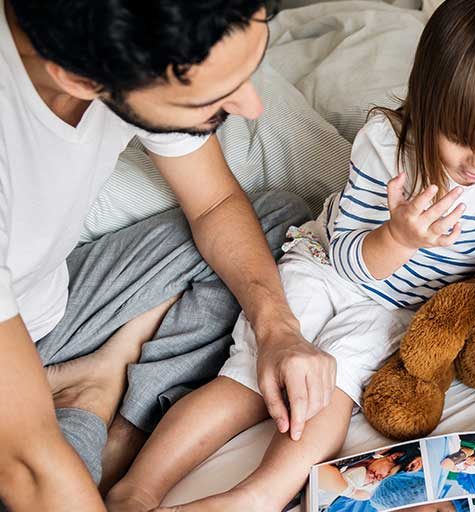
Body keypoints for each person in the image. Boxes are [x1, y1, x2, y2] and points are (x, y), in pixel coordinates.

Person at [112, 0, 475, 510]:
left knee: (331, 391)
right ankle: (137, 489)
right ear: (427, 104)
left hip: (402, 309)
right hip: (328, 266)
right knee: (245, 380)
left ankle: (257, 496)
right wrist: (398, 238)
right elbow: (348, 257)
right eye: (461, 139)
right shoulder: (388, 144)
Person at [0, 1, 329, 510]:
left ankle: (106, 389)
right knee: (43, 475)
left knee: (279, 226)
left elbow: (216, 204)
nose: (251, 107)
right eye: (211, 101)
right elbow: (27, 467)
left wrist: (277, 330)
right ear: (80, 79)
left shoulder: (138, 31)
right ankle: (101, 412)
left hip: (54, 309)